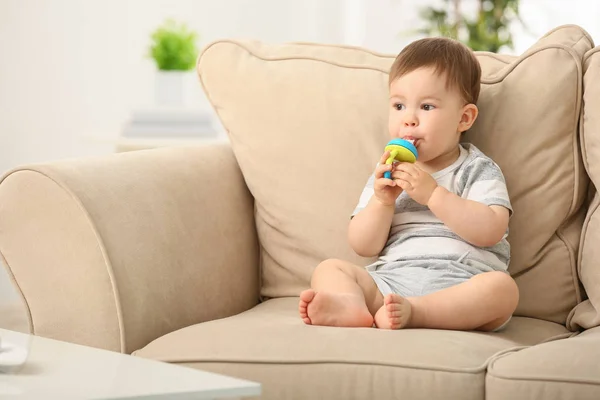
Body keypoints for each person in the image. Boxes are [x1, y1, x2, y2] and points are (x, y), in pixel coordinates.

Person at [298, 37, 519, 331]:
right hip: (391, 283)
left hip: (460, 283)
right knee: (330, 268)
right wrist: (382, 202)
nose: (409, 120)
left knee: (503, 290)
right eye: (399, 105)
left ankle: (418, 312)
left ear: (464, 118)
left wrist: (434, 194)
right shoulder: (387, 172)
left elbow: (491, 230)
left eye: (427, 107)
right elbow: (363, 246)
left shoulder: (477, 168)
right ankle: (352, 306)